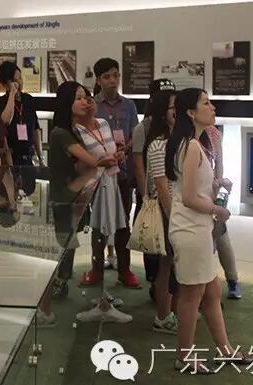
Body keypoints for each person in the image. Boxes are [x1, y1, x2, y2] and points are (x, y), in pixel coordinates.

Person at [165, 87, 244, 374]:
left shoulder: (191, 145)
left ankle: (225, 349)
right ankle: (184, 356)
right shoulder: (191, 146)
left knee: (211, 292)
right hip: (191, 229)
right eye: (206, 103)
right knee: (192, 296)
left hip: (197, 228)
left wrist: (216, 186)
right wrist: (216, 209)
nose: (213, 108)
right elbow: (188, 197)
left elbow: (193, 189)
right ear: (190, 112)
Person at [47, 82, 131, 324]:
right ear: (67, 103)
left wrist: (108, 157)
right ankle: (46, 308)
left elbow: (93, 161)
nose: (85, 101)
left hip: (82, 194)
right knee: (61, 248)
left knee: (76, 241)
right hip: (67, 197)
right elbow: (94, 161)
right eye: (79, 98)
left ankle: (61, 296)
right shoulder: (63, 132)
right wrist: (105, 159)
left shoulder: (77, 130)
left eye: (86, 97)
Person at [86, 57, 142, 289]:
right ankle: (96, 269)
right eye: (107, 76)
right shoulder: (92, 105)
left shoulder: (129, 106)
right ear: (98, 80)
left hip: (124, 172)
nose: (112, 80)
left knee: (123, 223)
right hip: (99, 173)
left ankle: (124, 270)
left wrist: (125, 150)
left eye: (115, 75)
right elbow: (86, 135)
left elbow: (135, 134)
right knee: (98, 222)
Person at [132, 77, 176, 297]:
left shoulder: (176, 129)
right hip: (154, 196)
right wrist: (145, 196)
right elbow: (139, 165)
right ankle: (155, 285)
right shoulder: (143, 129)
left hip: (168, 196)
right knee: (154, 240)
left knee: (169, 254)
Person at [142, 88, 180, 335]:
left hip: (178, 212)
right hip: (168, 213)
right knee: (166, 265)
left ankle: (172, 312)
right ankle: (163, 316)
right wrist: (174, 217)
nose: (177, 111)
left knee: (173, 265)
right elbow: (161, 187)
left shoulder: (179, 141)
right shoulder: (158, 145)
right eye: (172, 107)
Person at [204, 125, 243, 300]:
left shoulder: (213, 133)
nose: (213, 112)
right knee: (211, 240)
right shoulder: (185, 133)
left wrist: (218, 185)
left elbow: (219, 163)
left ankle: (232, 280)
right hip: (196, 195)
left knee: (220, 235)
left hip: (211, 193)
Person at [0, 60, 43, 167]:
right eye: (14, 80)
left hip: (28, 155)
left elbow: (36, 129)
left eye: (20, 78)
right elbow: (5, 121)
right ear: (5, 84)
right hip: (11, 156)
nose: (19, 83)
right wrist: (12, 94)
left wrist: (40, 157)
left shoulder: (28, 99)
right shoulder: (1, 102)